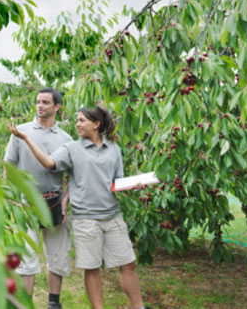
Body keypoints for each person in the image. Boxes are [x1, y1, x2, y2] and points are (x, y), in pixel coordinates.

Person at [8, 105, 151, 309]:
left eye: (82, 120)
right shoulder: (71, 149)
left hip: (112, 217)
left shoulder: (114, 150)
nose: (77, 124)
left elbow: (116, 183)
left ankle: (139, 307)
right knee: (92, 269)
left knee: (128, 264)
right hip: (86, 219)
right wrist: (26, 139)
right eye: (76, 120)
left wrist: (134, 186)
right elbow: (49, 163)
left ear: (96, 124)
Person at [4, 87, 72, 309]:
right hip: (26, 203)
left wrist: (65, 201)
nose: (40, 106)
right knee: (26, 258)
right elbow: (9, 166)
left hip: (55, 203)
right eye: (37, 102)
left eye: (45, 102)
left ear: (57, 107)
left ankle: (54, 303)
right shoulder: (20, 132)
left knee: (58, 256)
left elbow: (73, 175)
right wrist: (10, 197)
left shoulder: (66, 138)